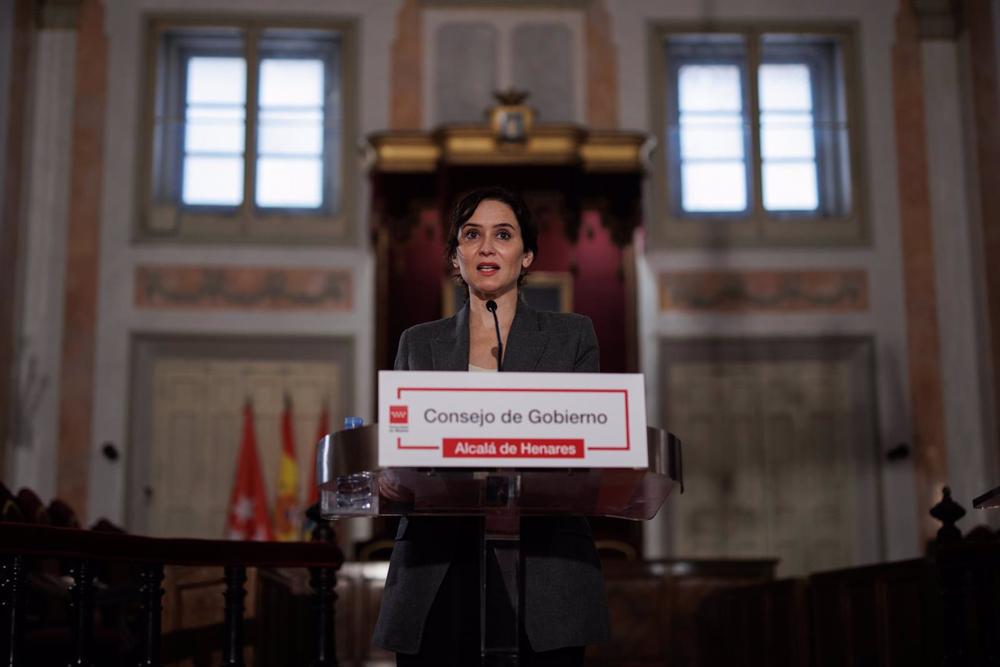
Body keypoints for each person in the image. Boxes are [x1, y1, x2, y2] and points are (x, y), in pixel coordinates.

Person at [372, 186, 609, 666]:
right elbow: (399, 451)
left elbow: (588, 451)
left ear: (526, 256)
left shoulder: (572, 337)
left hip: (544, 566)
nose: (486, 247)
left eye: (503, 234)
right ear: (455, 257)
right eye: (471, 234)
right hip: (438, 566)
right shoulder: (418, 345)